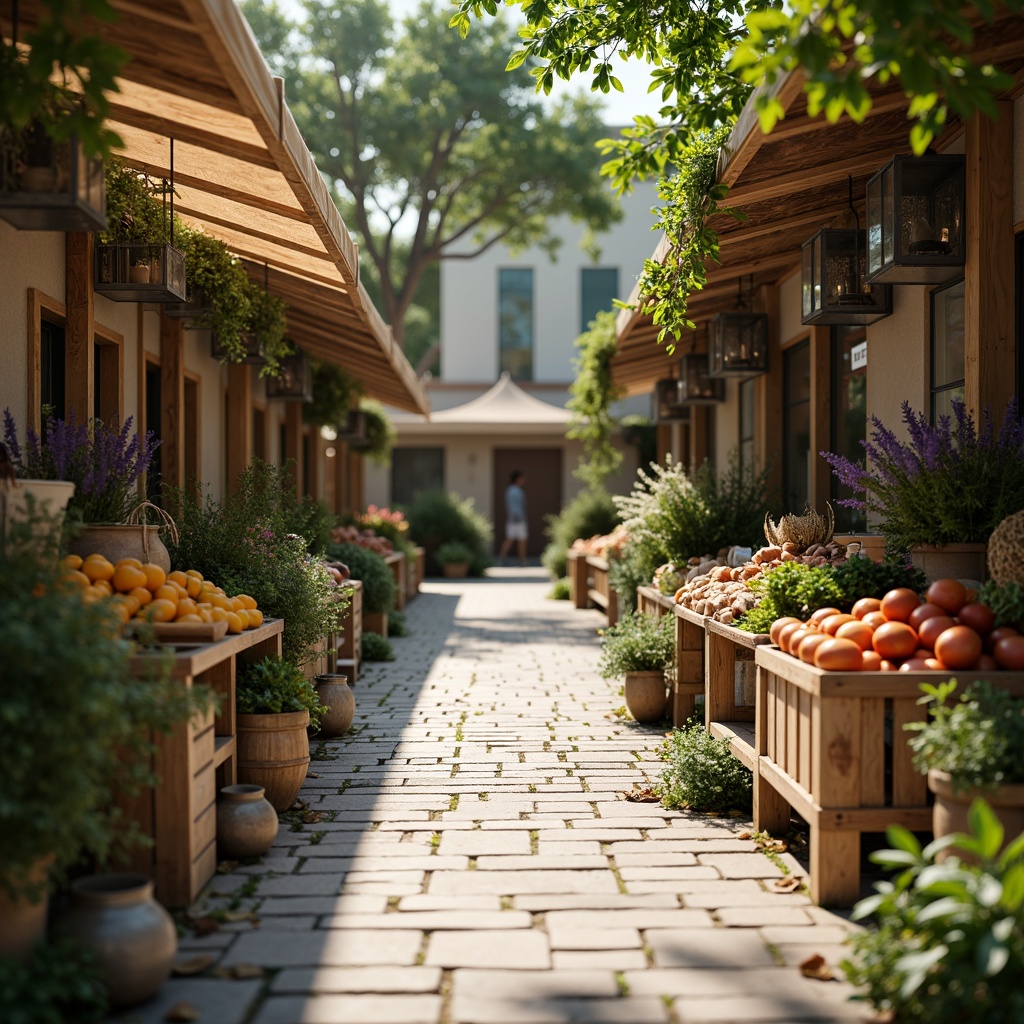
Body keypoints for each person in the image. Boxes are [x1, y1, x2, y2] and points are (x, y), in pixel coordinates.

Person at [499, 470, 527, 567]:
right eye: (521, 478)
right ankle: (502, 559)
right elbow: (513, 506)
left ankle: (522, 560)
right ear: (517, 479)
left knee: (522, 539)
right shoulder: (512, 491)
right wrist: (516, 517)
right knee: (510, 539)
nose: (524, 480)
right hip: (515, 519)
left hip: (519, 519)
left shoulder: (518, 490)